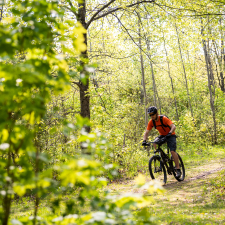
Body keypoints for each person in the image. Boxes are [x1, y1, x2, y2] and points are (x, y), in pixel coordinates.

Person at [142, 106, 181, 178]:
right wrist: (144, 140)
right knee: (154, 142)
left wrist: (170, 133)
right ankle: (161, 157)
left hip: (171, 135)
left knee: (172, 151)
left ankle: (178, 169)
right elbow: (146, 132)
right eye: (150, 115)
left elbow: (173, 126)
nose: (151, 116)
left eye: (153, 114)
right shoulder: (151, 122)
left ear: (157, 113)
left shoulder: (163, 119)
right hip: (162, 135)